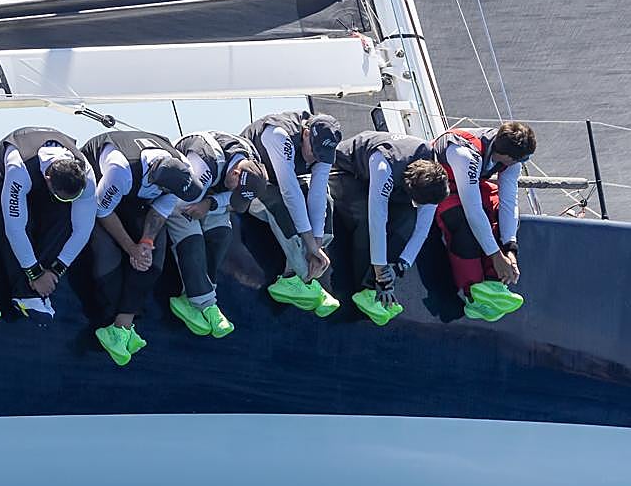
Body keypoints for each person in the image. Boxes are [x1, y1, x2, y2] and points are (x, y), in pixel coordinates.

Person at [80, 130, 203, 365]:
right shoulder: (120, 170)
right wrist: (130, 247)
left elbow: (159, 212)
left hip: (136, 195)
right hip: (101, 191)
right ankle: (113, 325)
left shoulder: (180, 168)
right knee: (108, 253)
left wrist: (145, 244)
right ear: (160, 184)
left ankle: (122, 327)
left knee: (151, 258)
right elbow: (101, 210)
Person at [331, 131, 449, 325]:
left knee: (408, 218)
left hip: (395, 178)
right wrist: (380, 271)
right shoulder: (383, 165)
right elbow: (376, 220)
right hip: (347, 171)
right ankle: (366, 290)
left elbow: (422, 228)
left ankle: (379, 284)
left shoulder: (433, 172)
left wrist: (400, 265)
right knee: (365, 218)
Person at [0, 127, 96, 323]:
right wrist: (34, 274)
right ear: (48, 180)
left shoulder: (86, 174)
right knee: (17, 219)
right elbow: (14, 228)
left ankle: (38, 289)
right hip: (0, 176)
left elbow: (82, 230)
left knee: (65, 216)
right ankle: (25, 294)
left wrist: (55, 271)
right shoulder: (19, 168)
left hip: (44, 185)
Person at [167, 131, 268, 338]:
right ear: (235, 174)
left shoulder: (253, 166)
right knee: (191, 236)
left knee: (222, 234)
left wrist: (211, 203)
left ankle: (194, 297)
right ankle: (206, 304)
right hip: (181, 191)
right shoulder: (204, 164)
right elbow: (176, 204)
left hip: (210, 192)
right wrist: (203, 203)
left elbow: (231, 197)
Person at [240, 111, 342, 316]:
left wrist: (318, 244)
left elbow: (318, 192)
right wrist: (310, 244)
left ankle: (303, 276)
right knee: (281, 205)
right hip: (251, 182)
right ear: (305, 134)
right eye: (314, 151)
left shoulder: (323, 146)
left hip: (281, 182)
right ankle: (299, 278)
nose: (316, 158)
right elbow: (290, 192)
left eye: (322, 155)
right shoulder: (278, 134)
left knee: (327, 203)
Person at [432, 122, 537, 322]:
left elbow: (508, 201)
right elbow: (472, 212)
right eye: (523, 159)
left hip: (473, 185)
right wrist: (496, 256)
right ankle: (474, 294)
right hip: (442, 187)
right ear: (507, 157)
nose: (524, 162)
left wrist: (510, 249)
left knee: (498, 214)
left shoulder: (510, 158)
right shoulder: (465, 155)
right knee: (463, 225)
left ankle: (494, 284)